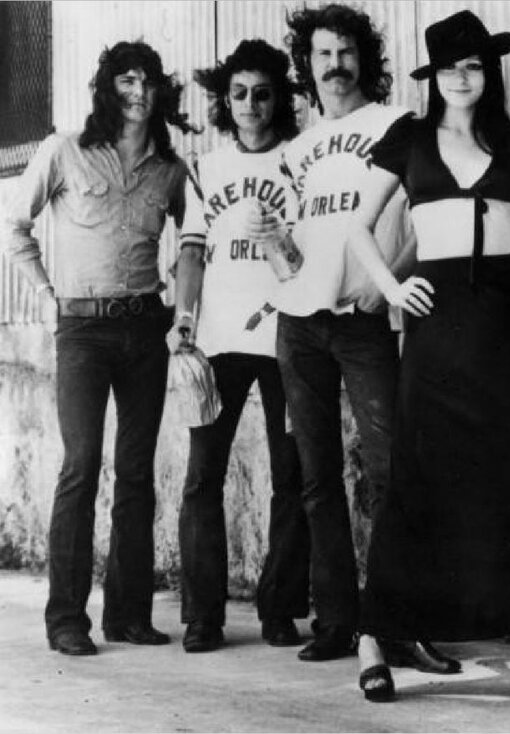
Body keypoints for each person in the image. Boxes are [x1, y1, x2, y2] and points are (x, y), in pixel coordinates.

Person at [346, 9, 510, 703]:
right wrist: (394, 287)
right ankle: (374, 636)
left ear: (490, 74)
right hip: (438, 315)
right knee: (421, 475)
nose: (461, 78)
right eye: (449, 68)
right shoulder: (410, 138)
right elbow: (358, 228)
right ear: (433, 77)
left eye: (474, 66)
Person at [271, 4, 457, 673]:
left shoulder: (396, 124)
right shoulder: (295, 149)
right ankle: (338, 622)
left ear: (364, 58)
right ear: (308, 64)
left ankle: (400, 624)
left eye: (346, 51)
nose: (335, 65)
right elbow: (291, 252)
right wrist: (273, 246)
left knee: (390, 474)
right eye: (323, 53)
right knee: (318, 479)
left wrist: (390, 282)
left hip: (364, 322)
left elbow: (431, 220)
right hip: (299, 324)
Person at [2, 41, 195, 655]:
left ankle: (129, 616)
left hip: (146, 328)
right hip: (82, 331)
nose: (138, 93)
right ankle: (66, 620)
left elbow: (198, 238)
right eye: (126, 81)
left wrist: (183, 308)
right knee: (81, 465)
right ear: (108, 89)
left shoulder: (172, 169)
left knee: (136, 472)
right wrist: (46, 294)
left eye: (148, 82)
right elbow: (14, 225)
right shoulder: (63, 150)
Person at [167, 39, 310, 653]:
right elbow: (192, 251)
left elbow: (307, 257)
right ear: (226, 101)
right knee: (203, 476)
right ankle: (203, 616)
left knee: (291, 475)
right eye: (239, 94)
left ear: (279, 99)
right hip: (220, 339)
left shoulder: (301, 161)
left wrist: (279, 240)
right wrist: (184, 319)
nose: (251, 104)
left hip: (288, 334)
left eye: (262, 93)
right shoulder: (208, 166)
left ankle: (280, 609)